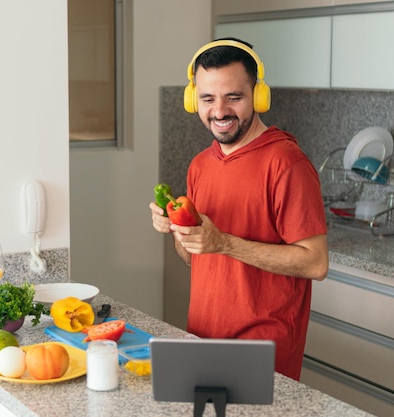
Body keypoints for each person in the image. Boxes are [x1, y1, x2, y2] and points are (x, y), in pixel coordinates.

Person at [149, 38, 328, 381]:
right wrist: (179, 228)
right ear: (193, 100)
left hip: (262, 350)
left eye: (234, 97)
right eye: (207, 99)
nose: (219, 111)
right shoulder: (200, 165)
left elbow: (316, 262)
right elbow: (193, 258)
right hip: (202, 337)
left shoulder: (286, 163)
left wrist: (225, 243)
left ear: (258, 96)